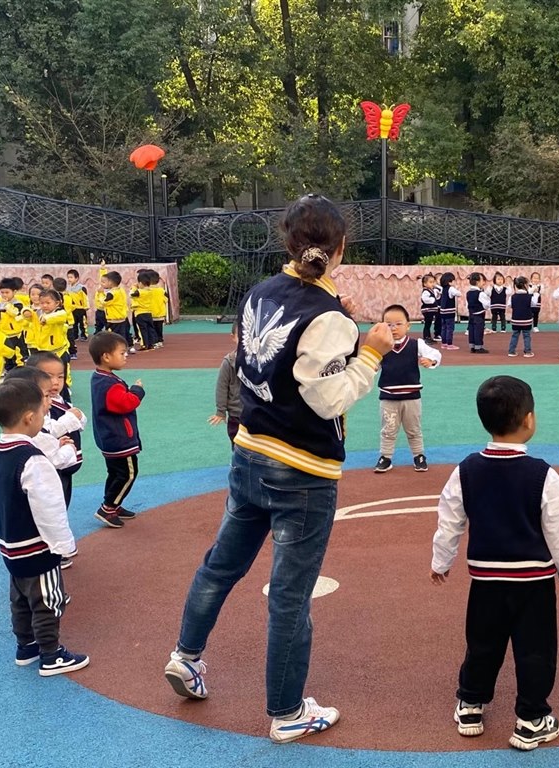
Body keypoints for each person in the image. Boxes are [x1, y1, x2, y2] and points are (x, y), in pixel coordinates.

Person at [163, 194, 394, 744]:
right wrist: (371, 353)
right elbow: (327, 398)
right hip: (303, 469)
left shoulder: (261, 291)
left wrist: (340, 323)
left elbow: (263, 357)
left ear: (287, 241)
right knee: (290, 594)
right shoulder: (328, 315)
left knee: (220, 566)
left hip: (250, 451)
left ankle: (186, 656)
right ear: (341, 247)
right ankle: (287, 712)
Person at [431, 375, 559, 752]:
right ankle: (531, 718)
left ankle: (470, 704)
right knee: (536, 650)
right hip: (534, 584)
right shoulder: (544, 474)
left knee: (482, 643)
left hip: (486, 581)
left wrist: (441, 561)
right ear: (529, 419)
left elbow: (450, 519)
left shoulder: (466, 469)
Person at [0, 377, 87, 676]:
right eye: (42, 412)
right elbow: (50, 509)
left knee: (20, 597)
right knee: (48, 599)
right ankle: (51, 654)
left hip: (10, 544)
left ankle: (26, 646)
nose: (46, 416)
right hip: (37, 546)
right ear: (29, 417)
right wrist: (63, 545)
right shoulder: (33, 460)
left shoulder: (1, 452)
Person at [374, 303, 441, 473]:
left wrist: (430, 361)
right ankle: (385, 456)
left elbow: (435, 354)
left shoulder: (416, 344)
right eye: (389, 324)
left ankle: (419, 455)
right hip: (388, 396)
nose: (394, 328)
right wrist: (372, 366)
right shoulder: (381, 347)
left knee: (414, 429)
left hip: (412, 396)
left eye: (398, 324)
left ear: (408, 325)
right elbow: (372, 364)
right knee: (388, 429)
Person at [89, 331, 144, 528]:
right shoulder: (109, 383)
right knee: (127, 473)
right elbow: (126, 403)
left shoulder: (99, 377)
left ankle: (114, 503)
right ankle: (108, 507)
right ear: (106, 356)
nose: (125, 356)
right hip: (119, 438)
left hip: (108, 436)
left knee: (115, 473)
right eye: (121, 353)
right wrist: (137, 390)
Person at [26, 353, 85, 524]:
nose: (55, 382)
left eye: (60, 376)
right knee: (53, 507)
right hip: (54, 464)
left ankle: (58, 531)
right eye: (48, 377)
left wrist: (78, 417)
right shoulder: (40, 405)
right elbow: (46, 429)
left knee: (63, 502)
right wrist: (71, 418)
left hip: (66, 462)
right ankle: (54, 535)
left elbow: (78, 419)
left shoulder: (59, 399)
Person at [207, 323, 241, 444]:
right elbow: (222, 387)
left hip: (256, 413)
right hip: (236, 415)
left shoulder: (261, 361)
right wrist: (221, 411)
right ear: (233, 337)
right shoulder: (229, 362)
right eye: (240, 335)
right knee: (237, 445)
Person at [99, 270, 135, 353]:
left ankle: (121, 351)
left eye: (104, 282)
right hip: (122, 317)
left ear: (110, 283)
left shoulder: (111, 294)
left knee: (116, 336)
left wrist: (100, 294)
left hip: (114, 319)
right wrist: (103, 269)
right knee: (125, 333)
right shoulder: (120, 290)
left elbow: (104, 302)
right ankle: (129, 346)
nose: (102, 284)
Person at [508, 276, 539, 358]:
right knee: (527, 335)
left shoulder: (512, 297)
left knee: (515, 335)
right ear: (525, 285)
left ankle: (511, 351)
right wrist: (536, 294)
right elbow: (534, 304)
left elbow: (509, 305)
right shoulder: (529, 296)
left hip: (515, 320)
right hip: (526, 320)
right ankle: (527, 352)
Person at [130, 271, 157, 351]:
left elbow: (131, 294)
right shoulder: (150, 291)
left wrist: (134, 287)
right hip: (148, 312)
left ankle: (144, 344)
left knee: (142, 330)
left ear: (140, 283)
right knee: (150, 329)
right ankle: (151, 344)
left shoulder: (139, 292)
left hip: (140, 313)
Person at [465, 272, 491, 354]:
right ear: (477, 282)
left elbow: (467, 304)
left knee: (471, 330)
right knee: (478, 330)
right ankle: (478, 347)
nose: (483, 282)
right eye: (482, 280)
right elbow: (487, 304)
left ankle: (472, 346)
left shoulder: (468, 293)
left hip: (471, 314)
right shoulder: (480, 293)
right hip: (479, 315)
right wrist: (485, 307)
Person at [438, 271, 461, 350]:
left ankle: (444, 343)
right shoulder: (451, 288)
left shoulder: (443, 289)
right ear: (450, 281)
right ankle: (449, 344)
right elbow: (459, 294)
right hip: (449, 312)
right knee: (450, 328)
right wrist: (456, 289)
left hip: (443, 311)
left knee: (444, 327)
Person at [420, 273, 440, 343]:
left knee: (429, 323)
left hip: (431, 310)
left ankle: (428, 337)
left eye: (433, 282)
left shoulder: (432, 290)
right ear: (425, 284)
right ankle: (426, 337)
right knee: (427, 324)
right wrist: (433, 300)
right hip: (427, 310)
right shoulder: (426, 291)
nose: (432, 284)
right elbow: (424, 299)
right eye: (430, 282)